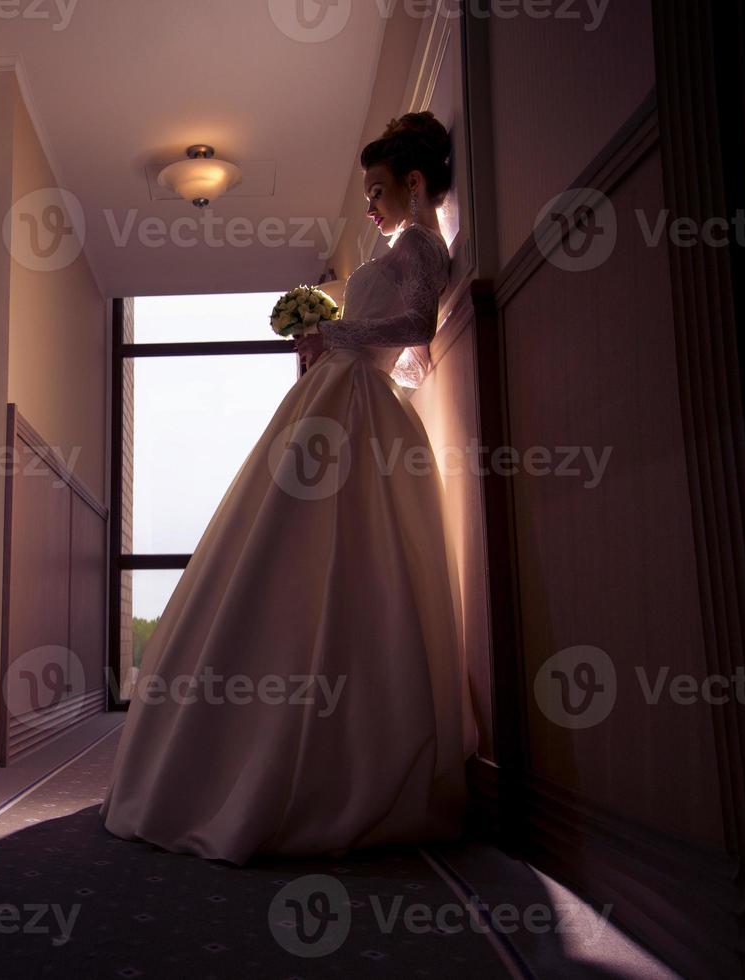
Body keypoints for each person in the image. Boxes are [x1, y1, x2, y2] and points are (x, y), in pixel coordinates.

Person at [100, 112, 477, 865]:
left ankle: (323, 762)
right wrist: (332, 334)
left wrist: (335, 333)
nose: (369, 206)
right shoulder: (398, 244)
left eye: (377, 191)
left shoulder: (423, 245)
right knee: (282, 551)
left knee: (339, 561)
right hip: (339, 399)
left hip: (359, 407)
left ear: (412, 183)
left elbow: (416, 323)